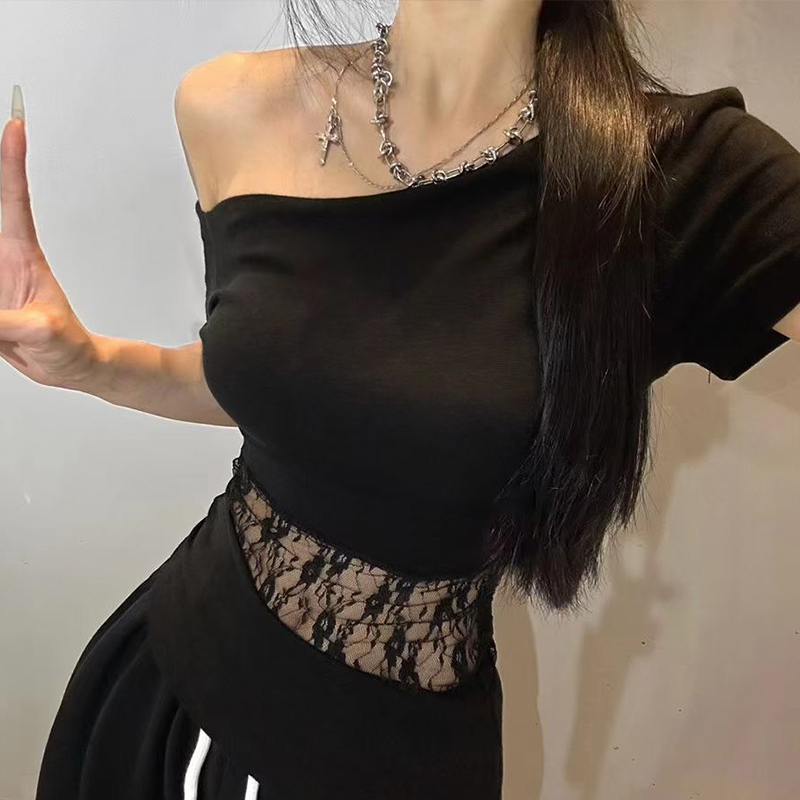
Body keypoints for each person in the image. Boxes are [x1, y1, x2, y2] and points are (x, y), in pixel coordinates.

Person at [1, 1, 799, 799]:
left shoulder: (669, 173)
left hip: (404, 755)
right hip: (172, 693)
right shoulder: (230, 106)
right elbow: (295, 395)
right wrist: (90, 363)